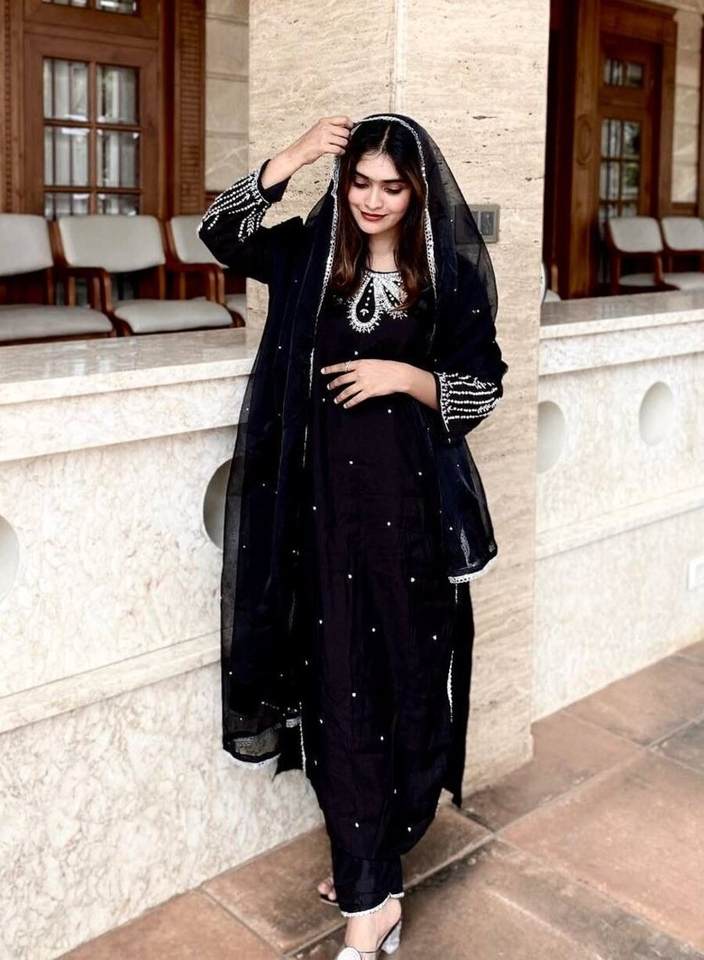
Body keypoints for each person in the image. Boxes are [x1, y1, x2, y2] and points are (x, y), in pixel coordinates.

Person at [197, 113, 508, 959]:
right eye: (360, 181)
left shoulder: (444, 275)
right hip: (321, 520)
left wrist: (404, 375)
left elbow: (482, 386)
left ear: (417, 192)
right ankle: (367, 895)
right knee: (338, 689)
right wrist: (298, 154)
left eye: (391, 187)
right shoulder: (311, 256)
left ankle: (375, 862)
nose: (373, 200)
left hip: (411, 521)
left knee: (408, 683)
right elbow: (220, 233)